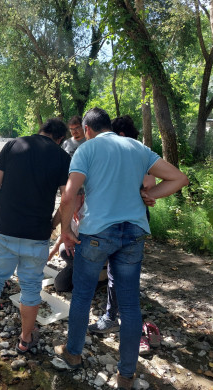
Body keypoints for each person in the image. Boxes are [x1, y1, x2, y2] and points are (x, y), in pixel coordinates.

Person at [55, 108, 188, 390]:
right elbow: (178, 178)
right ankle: (126, 374)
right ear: (109, 127)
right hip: (134, 232)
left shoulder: (87, 150)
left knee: (81, 295)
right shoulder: (138, 148)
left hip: (97, 232)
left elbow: (69, 195)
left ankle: (73, 353)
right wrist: (150, 194)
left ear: (88, 129)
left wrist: (65, 230)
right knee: (129, 304)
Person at [0, 118, 71, 360]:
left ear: (40, 130)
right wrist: (53, 225)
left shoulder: (13, 145)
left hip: (4, 230)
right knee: (31, 287)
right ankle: (24, 340)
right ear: (60, 139)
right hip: (37, 235)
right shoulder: (63, 158)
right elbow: (66, 200)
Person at [88, 115, 156, 335]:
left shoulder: (133, 151)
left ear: (122, 135)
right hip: (131, 221)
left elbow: (149, 183)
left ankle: (113, 317)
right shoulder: (137, 150)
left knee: (118, 273)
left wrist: (144, 193)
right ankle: (116, 315)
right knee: (119, 273)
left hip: (125, 223)